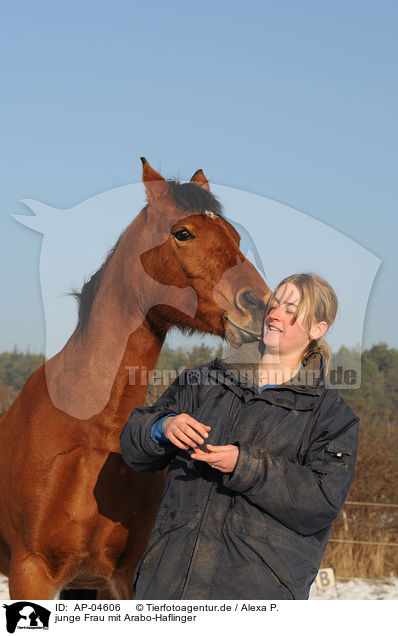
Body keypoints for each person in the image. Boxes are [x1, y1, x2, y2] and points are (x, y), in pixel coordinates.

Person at [120, 273, 359, 600]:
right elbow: (133, 444)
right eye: (274, 304)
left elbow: (321, 501)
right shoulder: (202, 381)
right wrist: (162, 427)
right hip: (167, 586)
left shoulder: (332, 416)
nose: (274, 314)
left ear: (317, 329)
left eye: (291, 309)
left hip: (253, 596)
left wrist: (244, 465)